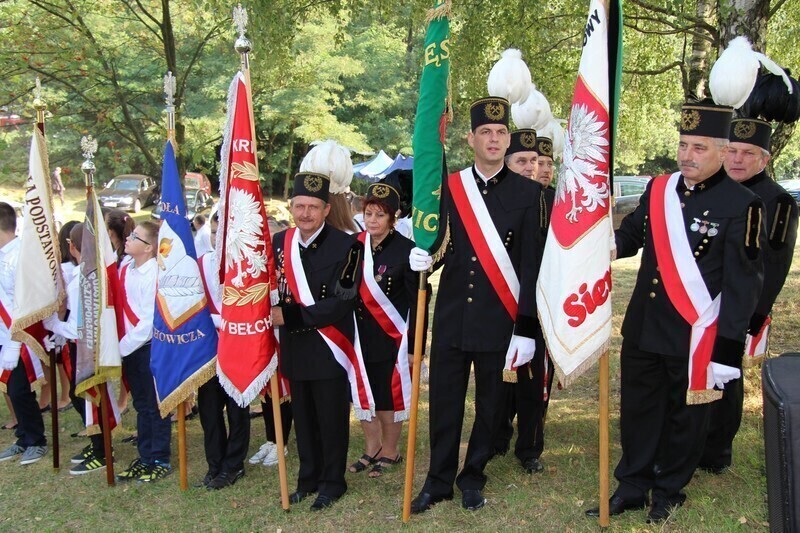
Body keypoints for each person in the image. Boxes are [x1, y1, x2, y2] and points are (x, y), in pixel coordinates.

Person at [586, 100, 766, 523]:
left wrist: (726, 350)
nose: (687, 155)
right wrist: (600, 249)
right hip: (646, 325)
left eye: (699, 147)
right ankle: (631, 485)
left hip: (695, 332)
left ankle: (668, 489)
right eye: (684, 145)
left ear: (724, 151)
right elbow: (632, 235)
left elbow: (744, 285)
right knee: (638, 409)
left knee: (688, 416)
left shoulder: (744, 204)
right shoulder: (659, 189)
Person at [408, 96, 544, 513]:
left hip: (499, 318)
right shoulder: (450, 187)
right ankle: (438, 480)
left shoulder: (531, 192)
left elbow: (532, 265)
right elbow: (442, 244)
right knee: (445, 403)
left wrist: (526, 327)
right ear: (471, 138)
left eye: (501, 132)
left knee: (490, 406)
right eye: (485, 132)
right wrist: (424, 256)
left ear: (508, 140)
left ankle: (473, 475)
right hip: (453, 314)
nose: (494, 139)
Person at [698, 117, 798, 473]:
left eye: (748, 153)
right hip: (699, 304)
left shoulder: (778, 201)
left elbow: (775, 264)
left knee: (726, 376)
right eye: (733, 151)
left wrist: (754, 315)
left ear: (764, 160)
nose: (738, 160)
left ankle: (717, 450)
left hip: (739, 309)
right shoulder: (711, 190)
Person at [271, 172, 363, 511]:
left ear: (326, 209)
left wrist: (290, 316)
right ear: (291, 207)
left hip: (329, 347)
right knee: (304, 418)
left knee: (330, 418)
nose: (305, 214)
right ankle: (307, 479)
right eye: (299, 206)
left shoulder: (348, 245)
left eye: (313, 207)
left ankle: (332, 482)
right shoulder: (280, 243)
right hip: (294, 346)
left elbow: (343, 299)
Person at [490, 128, 551, 474]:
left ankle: (529, 448)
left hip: (535, 303)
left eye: (536, 161)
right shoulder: (492, 199)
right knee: (497, 377)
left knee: (531, 379)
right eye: (523, 160)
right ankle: (496, 435)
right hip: (498, 301)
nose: (531, 167)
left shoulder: (551, 198)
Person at [350, 177, 418, 478]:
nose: (373, 220)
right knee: (364, 393)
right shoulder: (355, 246)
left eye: (380, 214)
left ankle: (391, 450)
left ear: (393, 217)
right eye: (369, 213)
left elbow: (417, 303)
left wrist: (416, 346)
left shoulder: (407, 250)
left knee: (388, 395)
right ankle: (372, 447)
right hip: (358, 336)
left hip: (392, 337)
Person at [43, 223, 109, 474]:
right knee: (78, 395)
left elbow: (80, 328)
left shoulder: (83, 279)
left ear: (71, 246)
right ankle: (97, 442)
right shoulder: (84, 274)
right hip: (80, 347)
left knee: (87, 397)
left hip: (84, 348)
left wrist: (53, 325)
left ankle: (102, 449)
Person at [195, 212, 251, 489]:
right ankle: (214, 463)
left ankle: (233, 464)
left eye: (224, 234)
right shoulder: (200, 264)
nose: (218, 239)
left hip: (237, 347)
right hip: (207, 350)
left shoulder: (244, 265)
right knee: (209, 409)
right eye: (215, 233)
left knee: (237, 409)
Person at [115, 221, 173, 482]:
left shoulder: (154, 274)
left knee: (154, 405)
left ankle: (159, 457)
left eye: (135, 236)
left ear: (149, 248)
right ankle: (145, 455)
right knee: (140, 404)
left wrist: (122, 347)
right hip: (128, 347)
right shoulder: (126, 268)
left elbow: (151, 320)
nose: (128, 238)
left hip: (145, 347)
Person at [0, 202, 48, 465]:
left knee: (20, 389)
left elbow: (24, 301)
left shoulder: (21, 256)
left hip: (18, 335)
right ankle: (23, 437)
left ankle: (36, 440)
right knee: (9, 387)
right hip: (2, 334)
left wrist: (14, 344)